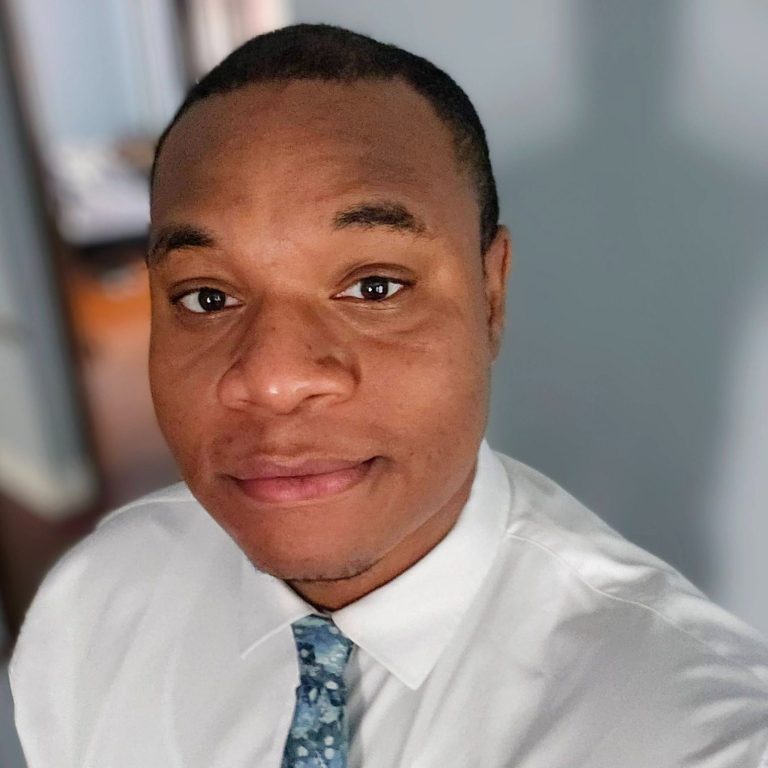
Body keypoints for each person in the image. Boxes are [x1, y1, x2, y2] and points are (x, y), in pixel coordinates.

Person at [9, 23, 768, 768]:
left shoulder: (699, 734)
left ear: (491, 295)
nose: (272, 378)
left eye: (374, 287)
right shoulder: (94, 605)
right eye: (207, 298)